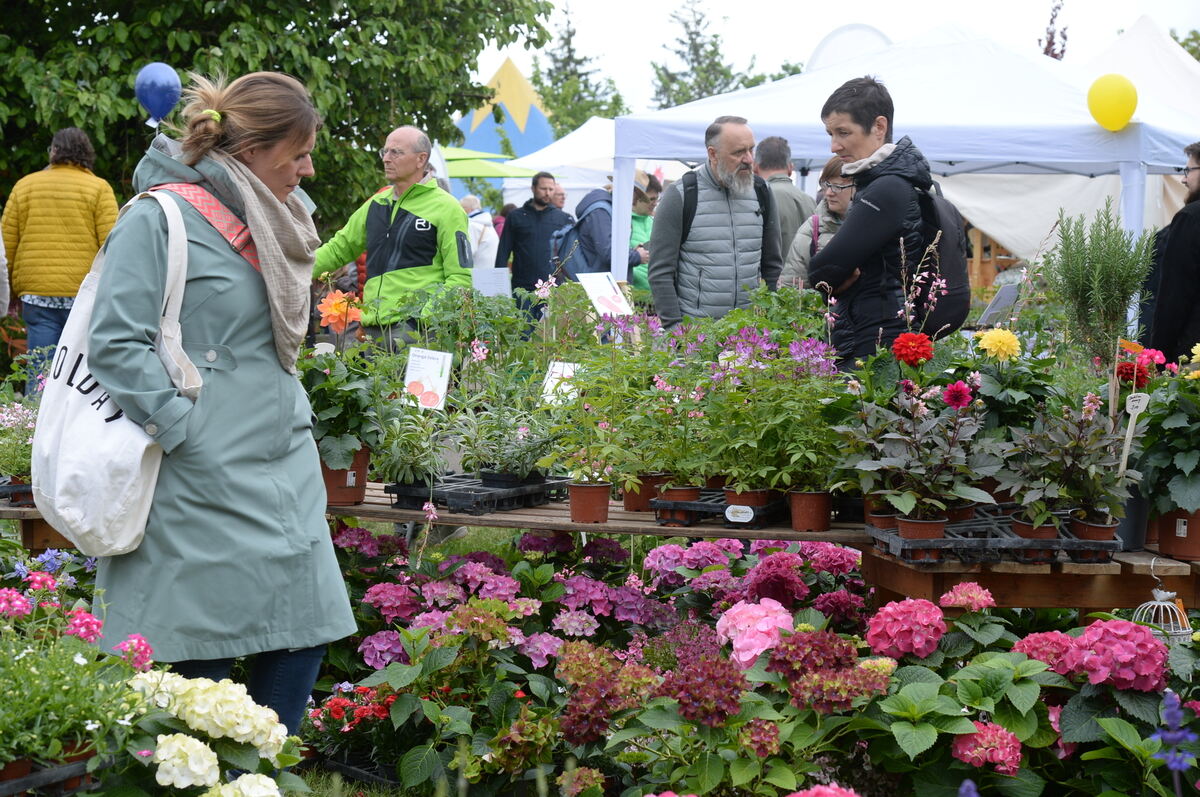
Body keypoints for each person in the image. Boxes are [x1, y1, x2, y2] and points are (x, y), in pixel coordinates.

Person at [86, 72, 355, 734]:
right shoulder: (158, 216)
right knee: (195, 652)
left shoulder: (279, 220)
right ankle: (203, 772)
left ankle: (261, 766)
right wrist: (185, 430)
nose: (307, 168)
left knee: (304, 626)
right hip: (196, 473)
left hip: (283, 462)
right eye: (297, 153)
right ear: (253, 149)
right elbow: (115, 343)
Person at [807, 76, 933, 366]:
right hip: (877, 335)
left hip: (878, 345)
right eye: (830, 134)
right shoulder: (887, 181)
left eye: (843, 132)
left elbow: (821, 271)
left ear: (879, 127)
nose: (834, 146)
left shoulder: (887, 187)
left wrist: (834, 278)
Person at [314, 125, 471, 348]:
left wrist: (423, 319)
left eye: (395, 152)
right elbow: (338, 249)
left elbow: (460, 278)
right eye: (384, 152)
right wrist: (288, 272)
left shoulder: (447, 208)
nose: (386, 159)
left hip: (418, 332)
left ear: (421, 159)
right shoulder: (375, 204)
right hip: (372, 330)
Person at [647, 115, 783, 327]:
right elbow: (660, 272)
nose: (748, 159)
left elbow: (772, 265)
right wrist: (675, 329)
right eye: (738, 152)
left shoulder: (761, 191)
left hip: (749, 337)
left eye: (751, 149)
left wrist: (775, 320)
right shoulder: (682, 194)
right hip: (697, 335)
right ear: (713, 154)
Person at [2, 127, 117, 370]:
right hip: (83, 295)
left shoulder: (25, 186)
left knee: (40, 368)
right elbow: (112, 245)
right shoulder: (99, 189)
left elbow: (6, 245)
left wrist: (9, 292)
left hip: (37, 293)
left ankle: (34, 407)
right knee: (79, 372)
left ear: (54, 151)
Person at [1149, 141, 1200, 361]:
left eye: (1189, 170)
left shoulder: (1191, 219)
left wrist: (1158, 357)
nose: (1184, 178)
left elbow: (1174, 294)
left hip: (1192, 356)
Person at [781, 156, 854, 288]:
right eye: (826, 185)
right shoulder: (811, 228)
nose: (829, 193)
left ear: (858, 187)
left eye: (837, 186)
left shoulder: (875, 225)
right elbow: (792, 290)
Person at [494, 171, 572, 293]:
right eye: (543, 188)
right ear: (533, 188)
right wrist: (498, 287)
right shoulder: (515, 217)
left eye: (551, 189)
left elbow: (571, 254)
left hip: (554, 288)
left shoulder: (564, 219)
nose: (547, 193)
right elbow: (503, 252)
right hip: (522, 288)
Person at [565, 173, 649, 279]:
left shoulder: (605, 209)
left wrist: (632, 252)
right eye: (638, 196)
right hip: (599, 284)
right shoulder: (601, 211)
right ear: (629, 190)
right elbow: (608, 253)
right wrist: (636, 256)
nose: (636, 201)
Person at [755, 135, 816, 258]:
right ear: (790, 167)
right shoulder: (810, 201)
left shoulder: (757, 199)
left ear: (755, 167)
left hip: (770, 276)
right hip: (804, 275)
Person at [628, 171, 661, 291]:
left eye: (657, 199)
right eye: (651, 199)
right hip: (633, 295)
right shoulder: (622, 224)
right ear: (637, 196)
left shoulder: (655, 221)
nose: (655, 203)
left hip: (655, 296)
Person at [461, 194, 499, 271]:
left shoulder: (473, 225)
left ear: (469, 209)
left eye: (462, 208)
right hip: (491, 270)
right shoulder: (487, 223)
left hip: (478, 273)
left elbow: (468, 252)